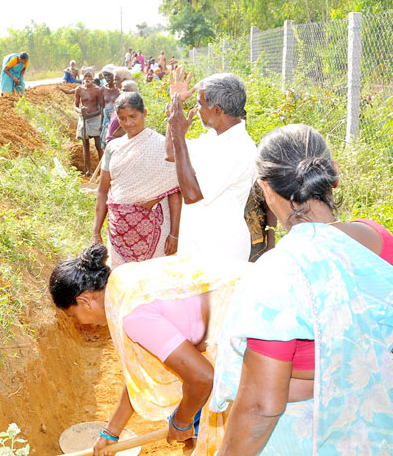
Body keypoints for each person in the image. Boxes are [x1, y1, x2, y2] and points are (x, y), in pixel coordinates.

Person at [212, 124, 393, 456]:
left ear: (265, 188)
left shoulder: (279, 272)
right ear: (333, 177)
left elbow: (261, 405)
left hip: (306, 441)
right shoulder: (380, 240)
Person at [50, 246, 242, 456]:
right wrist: (111, 432)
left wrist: (181, 422)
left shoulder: (132, 314)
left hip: (254, 325)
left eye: (73, 315)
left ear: (84, 301)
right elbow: (137, 376)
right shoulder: (121, 282)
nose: (79, 322)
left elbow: (202, 377)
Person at [165, 70, 257, 261]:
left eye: (200, 103)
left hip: (220, 249)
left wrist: (179, 135)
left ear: (217, 110)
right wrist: (176, 108)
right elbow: (171, 153)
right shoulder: (213, 138)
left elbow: (191, 194)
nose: (197, 108)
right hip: (199, 243)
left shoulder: (238, 147)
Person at [93, 92, 181, 267]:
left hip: (155, 230)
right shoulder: (113, 148)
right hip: (119, 229)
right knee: (122, 280)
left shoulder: (162, 146)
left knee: (153, 279)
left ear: (145, 113)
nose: (128, 123)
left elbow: (174, 192)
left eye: (133, 117)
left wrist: (174, 234)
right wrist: (96, 231)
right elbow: (103, 190)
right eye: (122, 118)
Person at [57, 70, 103, 176]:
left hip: (95, 119)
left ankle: (102, 169)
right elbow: (75, 106)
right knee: (85, 144)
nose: (87, 78)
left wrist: (90, 115)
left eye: (89, 76)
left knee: (98, 145)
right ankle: (88, 170)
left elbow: (101, 108)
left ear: (93, 77)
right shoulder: (79, 89)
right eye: (85, 76)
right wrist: (80, 111)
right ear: (83, 77)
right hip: (83, 119)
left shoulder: (97, 90)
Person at [103, 80, 138, 144]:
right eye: (122, 90)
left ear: (133, 92)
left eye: (126, 90)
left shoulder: (134, 109)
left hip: (120, 144)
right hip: (112, 143)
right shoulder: (120, 104)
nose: (123, 92)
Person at [99, 67, 119, 148]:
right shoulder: (103, 90)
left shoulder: (119, 90)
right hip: (106, 120)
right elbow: (101, 107)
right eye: (105, 75)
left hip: (117, 121)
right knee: (106, 143)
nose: (107, 77)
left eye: (109, 75)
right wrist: (100, 124)